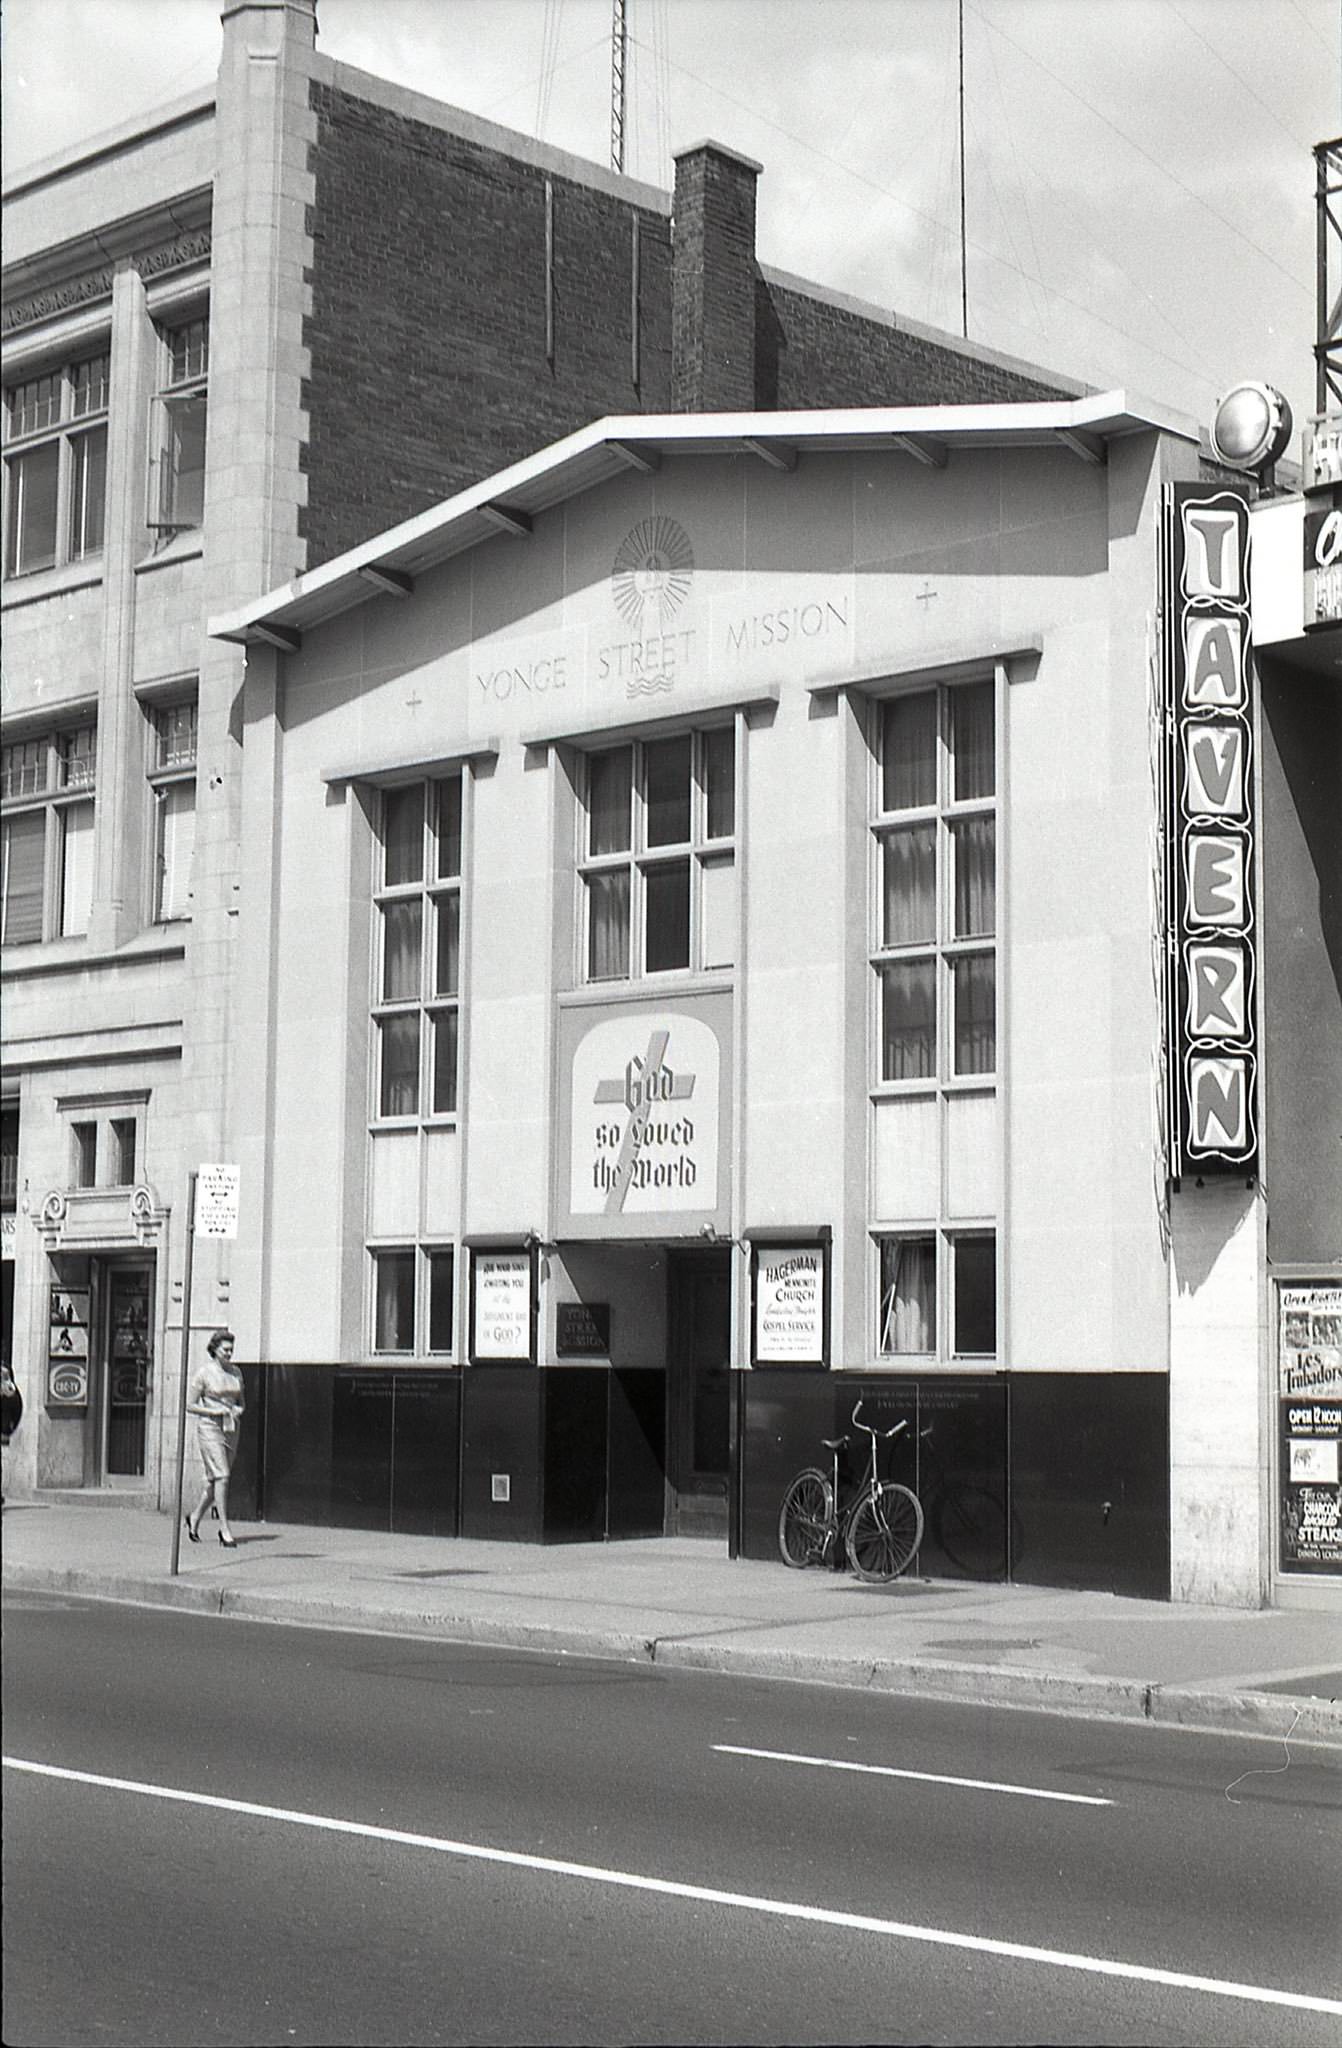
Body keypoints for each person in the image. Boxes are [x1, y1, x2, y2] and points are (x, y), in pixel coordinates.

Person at [184, 1329, 244, 1548]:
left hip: (232, 1428)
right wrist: (213, 1412)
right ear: (215, 1349)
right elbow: (189, 1405)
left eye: (231, 1350)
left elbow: (241, 1401)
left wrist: (237, 1410)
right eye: (225, 1350)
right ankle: (224, 1528)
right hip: (210, 1428)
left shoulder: (236, 1372)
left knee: (216, 1480)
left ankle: (194, 1518)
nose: (229, 1354)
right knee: (223, 1476)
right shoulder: (204, 1373)